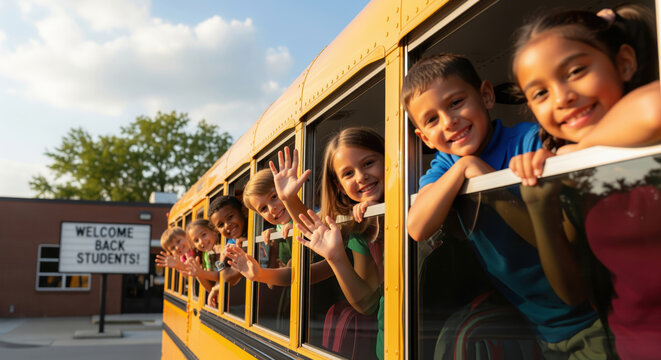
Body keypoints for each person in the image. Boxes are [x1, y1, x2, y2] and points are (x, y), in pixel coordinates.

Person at [403, 53, 611, 358]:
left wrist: (486, 183)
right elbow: (417, 227)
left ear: (486, 96)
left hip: (588, 316)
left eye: (456, 103)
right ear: (425, 138)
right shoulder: (447, 163)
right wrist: (466, 167)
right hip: (534, 324)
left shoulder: (528, 144)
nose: (449, 121)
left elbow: (549, 237)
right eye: (432, 120)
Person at [508, 5, 661, 359]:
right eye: (540, 93)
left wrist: (575, 152)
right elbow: (573, 293)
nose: (562, 98)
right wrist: (540, 207)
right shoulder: (579, 178)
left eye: (576, 71)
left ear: (624, 63)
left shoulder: (638, 145)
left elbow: (653, 109)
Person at [272, 131, 384, 359]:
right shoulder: (359, 229)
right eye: (348, 173)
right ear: (340, 186)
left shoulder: (423, 192)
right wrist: (289, 199)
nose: (361, 177)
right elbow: (367, 303)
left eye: (369, 163)